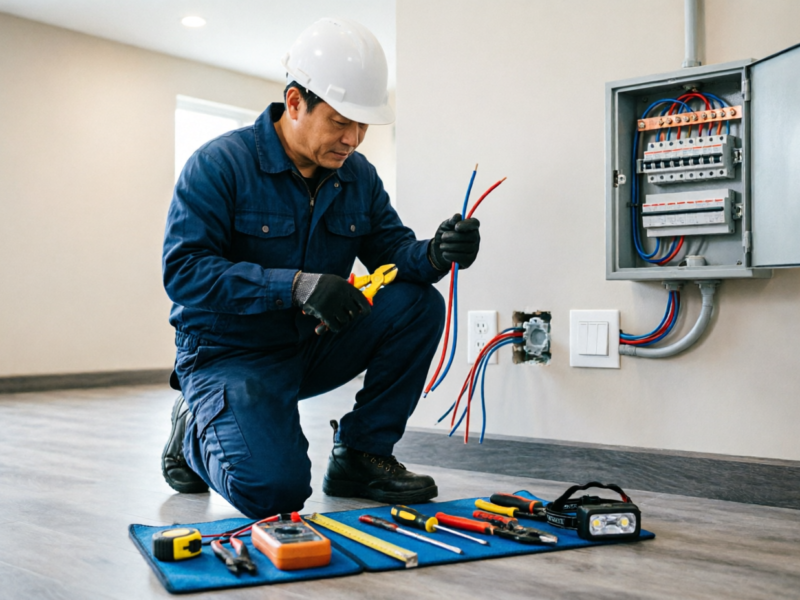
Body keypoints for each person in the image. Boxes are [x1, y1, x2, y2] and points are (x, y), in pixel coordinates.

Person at [160, 18, 481, 519]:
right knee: (276, 493)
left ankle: (361, 455)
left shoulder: (357, 177)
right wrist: (296, 286)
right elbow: (184, 271)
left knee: (417, 303)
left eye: (363, 126)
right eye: (340, 121)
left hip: (309, 345)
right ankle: (194, 427)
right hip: (230, 354)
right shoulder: (219, 165)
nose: (353, 139)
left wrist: (436, 253)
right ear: (295, 102)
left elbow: (393, 252)